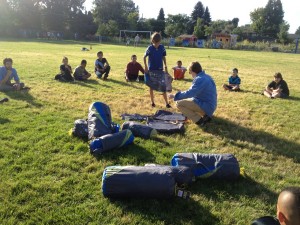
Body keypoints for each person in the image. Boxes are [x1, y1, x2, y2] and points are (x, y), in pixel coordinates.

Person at [168, 61, 217, 126]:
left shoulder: (200, 79)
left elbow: (190, 93)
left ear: (193, 71)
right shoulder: (206, 76)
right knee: (188, 100)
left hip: (207, 106)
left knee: (179, 103)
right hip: (211, 105)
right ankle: (206, 116)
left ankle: (199, 120)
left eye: (190, 72)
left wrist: (174, 95)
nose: (190, 74)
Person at [144, 32, 171, 108]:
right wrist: (146, 67)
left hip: (160, 69)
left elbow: (163, 57)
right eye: (155, 43)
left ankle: (167, 103)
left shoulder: (162, 47)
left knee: (163, 86)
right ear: (152, 41)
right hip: (152, 70)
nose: (157, 44)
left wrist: (165, 66)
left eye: (158, 43)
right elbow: (144, 57)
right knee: (151, 86)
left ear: (160, 41)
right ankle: (152, 102)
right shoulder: (150, 48)